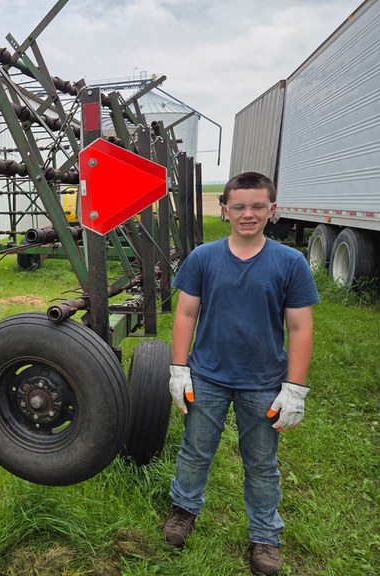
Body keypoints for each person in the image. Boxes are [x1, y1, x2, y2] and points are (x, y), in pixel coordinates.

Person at [162, 172, 320, 576]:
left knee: (262, 462)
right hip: (208, 378)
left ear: (272, 209)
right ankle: (184, 510)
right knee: (196, 451)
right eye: (239, 206)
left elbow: (300, 328)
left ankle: (265, 536)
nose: (247, 214)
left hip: (264, 383)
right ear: (225, 209)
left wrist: (295, 389)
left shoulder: (290, 262)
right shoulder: (203, 257)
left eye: (257, 206)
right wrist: (179, 369)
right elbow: (185, 313)